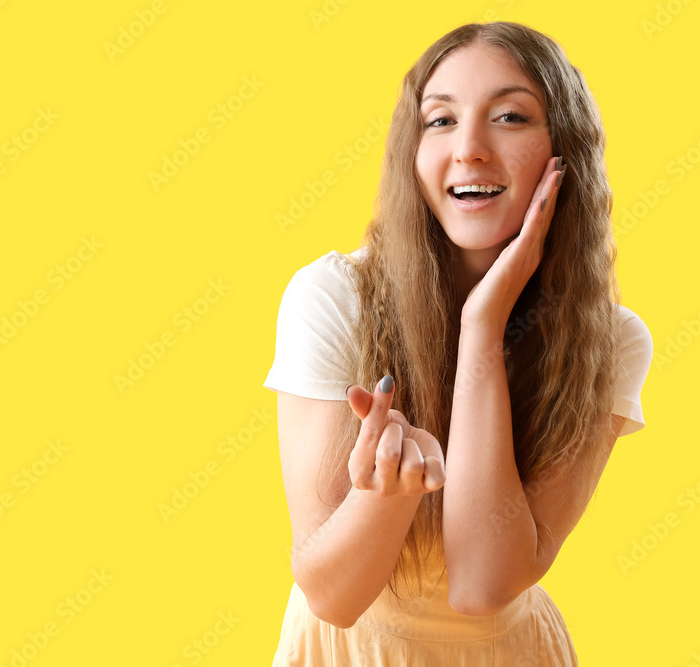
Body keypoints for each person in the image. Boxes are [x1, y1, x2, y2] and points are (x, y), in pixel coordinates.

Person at [262, 21, 654, 666]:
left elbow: (482, 585)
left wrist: (482, 330)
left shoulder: (607, 341)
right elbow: (333, 595)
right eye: (440, 121)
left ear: (566, 154)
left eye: (509, 116)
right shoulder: (333, 298)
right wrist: (384, 499)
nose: (468, 148)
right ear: (411, 155)